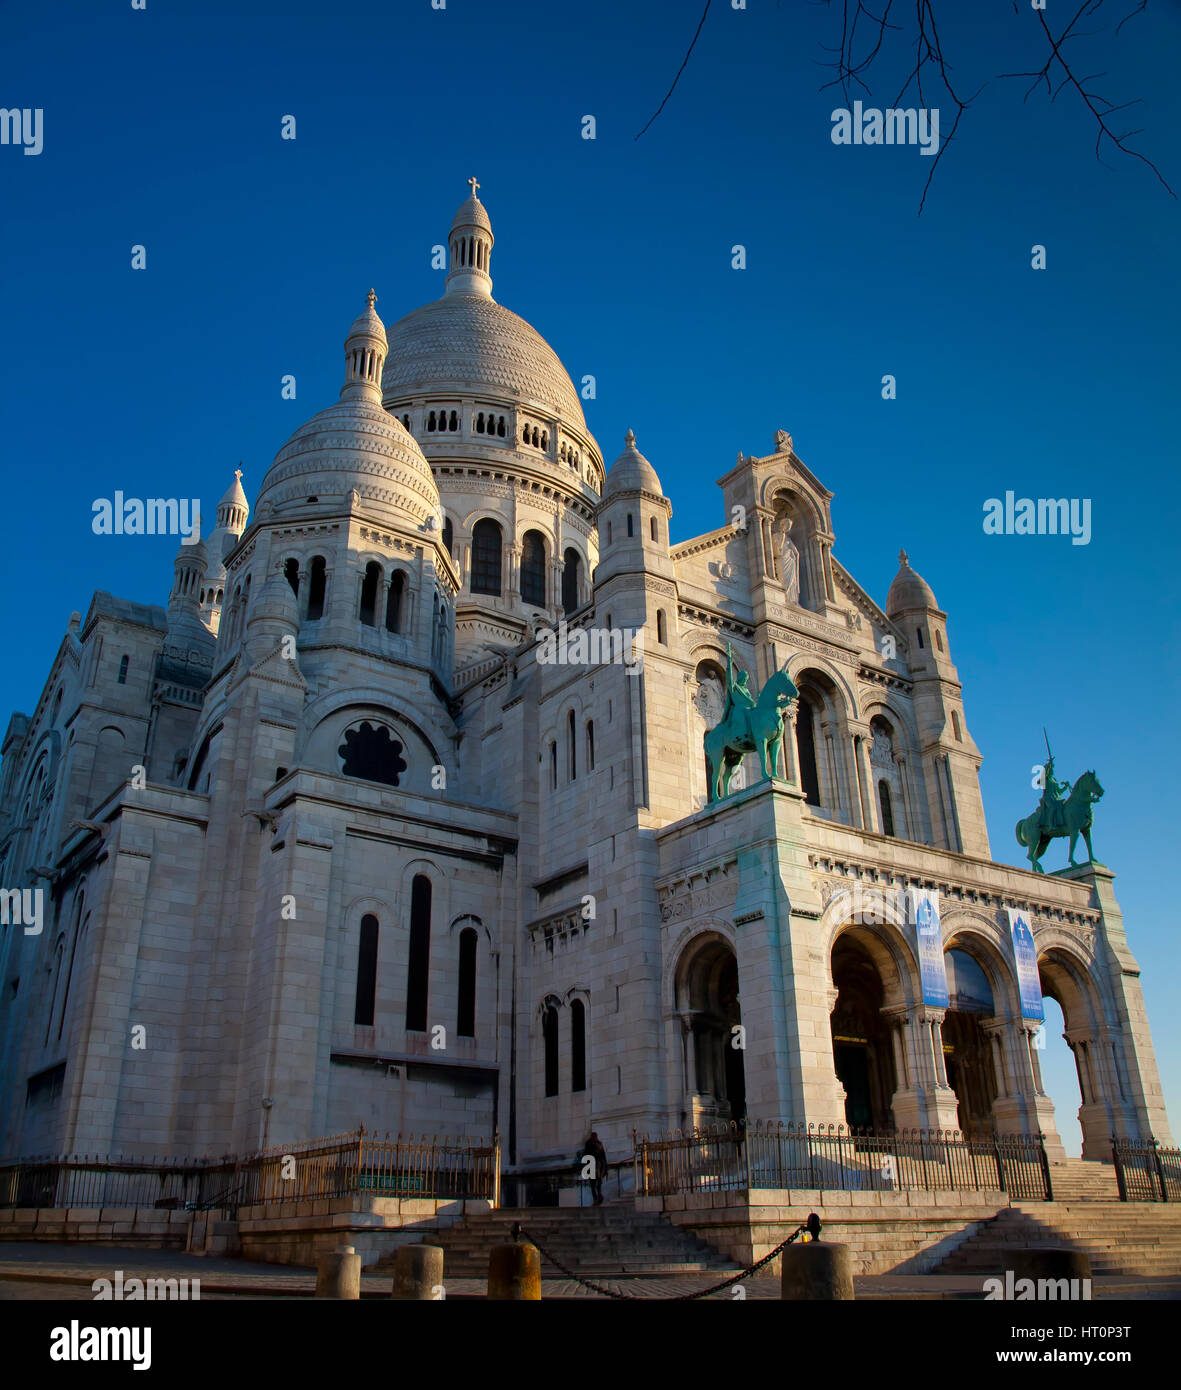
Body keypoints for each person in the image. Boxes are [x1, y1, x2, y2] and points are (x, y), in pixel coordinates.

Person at [581, 1131, 607, 1206]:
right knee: (597, 1184)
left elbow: (585, 1155)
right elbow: (603, 1157)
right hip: (597, 1166)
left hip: (594, 1166)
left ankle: (597, 1198)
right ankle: (598, 1197)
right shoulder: (598, 1144)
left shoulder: (590, 1144)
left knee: (594, 1185)